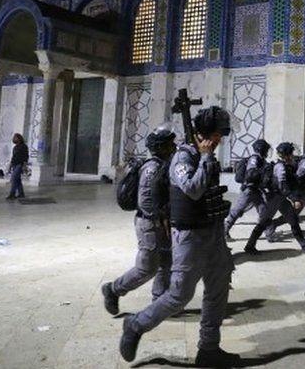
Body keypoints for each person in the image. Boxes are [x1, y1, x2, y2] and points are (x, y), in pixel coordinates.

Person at [119, 106, 240, 365]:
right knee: (179, 295)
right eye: (218, 135)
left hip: (213, 233)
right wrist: (206, 157)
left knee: (218, 290)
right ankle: (135, 325)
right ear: (207, 134)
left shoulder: (204, 153)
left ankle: (208, 348)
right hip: (190, 237)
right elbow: (193, 190)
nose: (220, 140)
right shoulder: (183, 158)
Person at [102, 123, 176, 316]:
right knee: (146, 268)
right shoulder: (152, 169)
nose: (173, 147)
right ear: (160, 147)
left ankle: (160, 301)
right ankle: (113, 289)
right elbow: (146, 201)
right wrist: (159, 217)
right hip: (150, 224)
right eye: (170, 144)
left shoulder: (162, 165)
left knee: (166, 262)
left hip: (162, 222)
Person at [243, 142, 305, 255]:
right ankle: (250, 246)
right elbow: (283, 186)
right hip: (274, 198)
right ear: (286, 154)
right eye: (291, 153)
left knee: (293, 220)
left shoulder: (286, 165)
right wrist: (294, 199)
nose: (293, 155)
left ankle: (304, 245)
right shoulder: (280, 167)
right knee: (264, 222)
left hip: (281, 198)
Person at [223, 139, 271, 240]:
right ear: (261, 149)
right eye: (266, 149)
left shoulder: (261, 159)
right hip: (249, 190)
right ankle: (224, 231)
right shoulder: (254, 159)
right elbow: (251, 173)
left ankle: (268, 233)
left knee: (264, 211)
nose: (267, 152)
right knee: (237, 211)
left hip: (257, 190)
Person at [6, 133, 29, 200]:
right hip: (14, 164)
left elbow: (26, 156)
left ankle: (12, 194)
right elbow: (13, 157)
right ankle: (21, 194)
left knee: (14, 179)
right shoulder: (15, 147)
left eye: (15, 137)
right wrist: (10, 166)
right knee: (17, 180)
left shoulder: (24, 146)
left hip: (20, 164)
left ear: (19, 138)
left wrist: (24, 166)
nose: (14, 139)